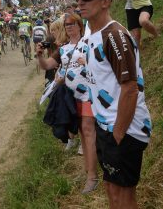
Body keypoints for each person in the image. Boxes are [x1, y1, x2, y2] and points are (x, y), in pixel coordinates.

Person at [68, 0, 152, 209]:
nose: (80, 2)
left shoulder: (114, 35)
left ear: (105, 2)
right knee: (111, 190)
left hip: (124, 129)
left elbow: (130, 89)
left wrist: (118, 133)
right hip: (106, 125)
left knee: (124, 197)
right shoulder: (94, 35)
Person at [36, 12, 98, 194]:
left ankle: (92, 177)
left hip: (89, 95)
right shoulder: (62, 49)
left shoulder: (90, 43)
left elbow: (102, 63)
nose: (69, 27)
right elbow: (47, 65)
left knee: (88, 131)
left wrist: (86, 61)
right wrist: (39, 56)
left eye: (72, 23)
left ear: (80, 25)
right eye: (67, 25)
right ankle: (88, 170)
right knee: (82, 133)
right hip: (71, 98)